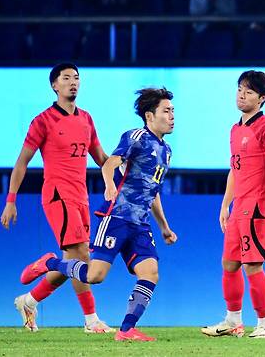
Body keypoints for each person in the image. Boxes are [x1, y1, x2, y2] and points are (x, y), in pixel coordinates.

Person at [20, 87, 178, 342]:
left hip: (140, 223)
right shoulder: (136, 136)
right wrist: (109, 184)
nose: (172, 116)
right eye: (166, 111)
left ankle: (126, 330)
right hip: (116, 218)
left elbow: (153, 190)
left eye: (173, 111)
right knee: (95, 276)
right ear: (150, 116)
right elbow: (111, 162)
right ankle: (49, 264)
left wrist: (164, 227)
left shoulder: (167, 151)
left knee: (150, 272)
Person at [1, 63, 111, 333]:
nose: (73, 82)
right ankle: (91, 320)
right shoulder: (43, 121)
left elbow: (101, 159)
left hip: (81, 197)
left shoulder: (87, 119)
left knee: (72, 263)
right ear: (54, 85)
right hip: (58, 196)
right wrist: (11, 200)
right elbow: (22, 162)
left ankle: (30, 299)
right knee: (82, 257)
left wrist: (124, 167)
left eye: (76, 78)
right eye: (66, 78)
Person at [202, 71, 265, 339]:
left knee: (253, 266)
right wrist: (225, 204)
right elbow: (234, 169)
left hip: (259, 207)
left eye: (248, 92)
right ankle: (233, 321)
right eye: (239, 89)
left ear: (262, 98)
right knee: (229, 263)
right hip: (239, 207)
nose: (241, 95)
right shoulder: (236, 128)